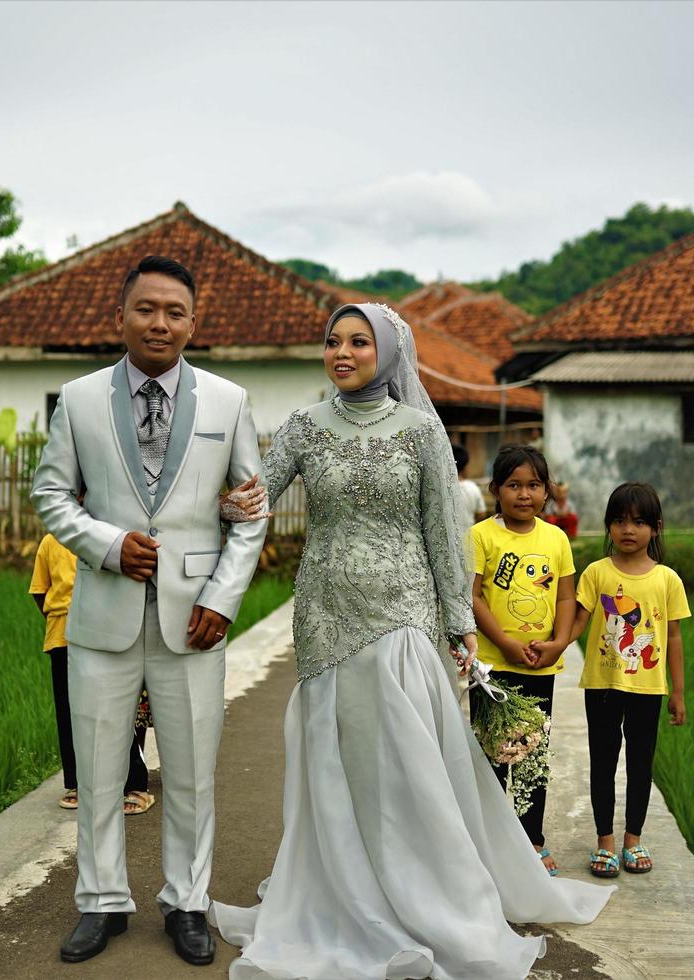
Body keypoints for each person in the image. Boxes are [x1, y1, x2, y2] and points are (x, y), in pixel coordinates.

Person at [215, 303, 611, 980]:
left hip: (403, 611)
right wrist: (227, 503)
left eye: (359, 342)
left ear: (390, 352)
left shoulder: (421, 430)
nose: (342, 352)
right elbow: (256, 496)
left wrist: (459, 620)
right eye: (333, 342)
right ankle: (341, 888)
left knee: (402, 759)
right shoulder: (305, 427)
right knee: (336, 755)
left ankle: (429, 895)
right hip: (326, 613)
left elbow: (440, 532)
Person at [30, 255, 267, 966]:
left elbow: (250, 513)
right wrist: (105, 545)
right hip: (101, 615)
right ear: (121, 314)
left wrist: (223, 601)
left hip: (194, 619)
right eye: (146, 308)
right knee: (100, 770)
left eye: (174, 311)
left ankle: (186, 902)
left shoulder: (229, 403)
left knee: (192, 771)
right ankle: (100, 904)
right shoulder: (76, 400)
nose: (160, 322)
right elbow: (51, 495)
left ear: (193, 322)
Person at [568, 482, 689, 879]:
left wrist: (678, 692)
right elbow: (580, 621)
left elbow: (672, 636)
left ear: (655, 528)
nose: (627, 530)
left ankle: (632, 839)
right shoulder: (596, 572)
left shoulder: (667, 579)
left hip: (647, 689)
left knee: (640, 764)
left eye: (638, 522)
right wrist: (552, 647)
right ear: (608, 526)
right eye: (618, 521)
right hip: (603, 685)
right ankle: (605, 842)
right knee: (603, 762)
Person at [469, 444, 577, 877]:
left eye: (533, 485)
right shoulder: (481, 536)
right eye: (514, 485)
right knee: (492, 755)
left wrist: (560, 643)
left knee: (533, 755)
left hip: (540, 666)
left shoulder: (556, 537)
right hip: (493, 668)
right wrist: (506, 643)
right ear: (496, 489)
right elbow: (471, 596)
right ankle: (490, 841)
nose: (524, 494)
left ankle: (532, 840)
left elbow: (567, 594)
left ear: (547, 491)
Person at [29, 530, 155, 816]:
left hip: (107, 635)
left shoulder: (114, 538)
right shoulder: (51, 541)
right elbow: (40, 591)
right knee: (70, 713)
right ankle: (77, 784)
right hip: (62, 637)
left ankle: (135, 784)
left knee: (120, 711)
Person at [453, 443, 488, 536]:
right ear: (465, 466)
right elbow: (482, 514)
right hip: (468, 537)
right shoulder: (472, 488)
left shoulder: (440, 489)